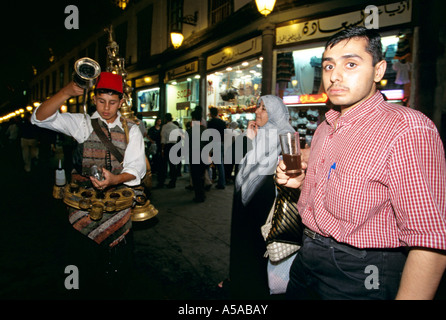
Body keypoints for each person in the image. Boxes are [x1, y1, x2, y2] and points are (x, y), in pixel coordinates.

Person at [276, 26, 446, 300]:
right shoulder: (325, 127)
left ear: (378, 71)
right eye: (329, 66)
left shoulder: (407, 129)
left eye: (351, 64)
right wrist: (301, 183)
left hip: (362, 269)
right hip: (307, 256)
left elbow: (430, 240)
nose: (335, 76)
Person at [31, 72, 146, 296]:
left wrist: (115, 179)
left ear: (121, 102)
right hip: (81, 208)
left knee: (116, 271)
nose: (106, 107)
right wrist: (66, 92)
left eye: (113, 102)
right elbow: (39, 118)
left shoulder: (132, 129)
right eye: (101, 101)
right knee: (81, 267)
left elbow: (136, 168)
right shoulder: (82, 123)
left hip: (117, 209)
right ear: (94, 99)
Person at [228, 95, 295, 299]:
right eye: (258, 107)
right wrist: (248, 138)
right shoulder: (256, 134)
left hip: (268, 205)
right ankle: (239, 282)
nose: (257, 111)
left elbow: (294, 175)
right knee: (243, 246)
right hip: (244, 204)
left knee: (261, 252)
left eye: (264, 108)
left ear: (275, 112)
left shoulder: (288, 136)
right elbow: (233, 160)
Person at [187, 108, 208, 202]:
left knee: (196, 177)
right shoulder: (205, 129)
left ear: (194, 119)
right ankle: (202, 194)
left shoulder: (191, 131)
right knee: (202, 175)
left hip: (194, 156)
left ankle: (199, 196)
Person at [207, 107, 226, 189]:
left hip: (212, 143)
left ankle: (208, 180)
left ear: (211, 113)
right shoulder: (222, 122)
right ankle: (222, 182)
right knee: (220, 163)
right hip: (221, 143)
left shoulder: (210, 122)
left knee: (208, 162)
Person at [158, 113, 179, 188]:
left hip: (167, 146)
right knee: (173, 165)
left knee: (164, 165)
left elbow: (163, 139)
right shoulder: (176, 127)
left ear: (166, 119)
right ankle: (173, 181)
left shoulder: (165, 127)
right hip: (174, 145)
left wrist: (162, 150)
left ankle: (162, 181)